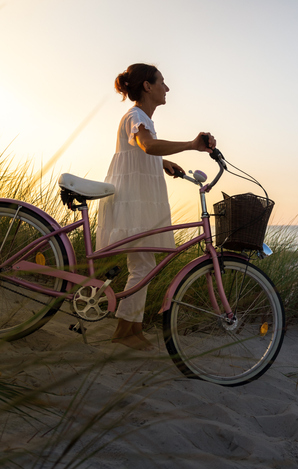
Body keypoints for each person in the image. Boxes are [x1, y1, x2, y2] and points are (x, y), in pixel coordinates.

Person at [97, 63, 216, 351]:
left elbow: (141, 149)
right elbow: (146, 145)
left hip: (138, 196)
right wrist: (190, 144)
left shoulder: (140, 118)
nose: (167, 87)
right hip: (133, 199)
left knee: (143, 264)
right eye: (162, 82)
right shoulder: (136, 116)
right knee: (142, 264)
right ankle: (124, 331)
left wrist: (161, 163)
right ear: (147, 86)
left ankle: (129, 329)